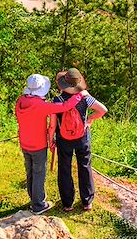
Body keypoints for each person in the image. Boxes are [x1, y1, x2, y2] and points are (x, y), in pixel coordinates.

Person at [15, 73, 89, 215]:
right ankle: (38, 205)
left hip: (25, 142)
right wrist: (80, 95)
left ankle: (33, 198)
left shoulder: (21, 101)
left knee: (30, 171)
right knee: (39, 173)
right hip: (38, 145)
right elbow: (65, 106)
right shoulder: (41, 105)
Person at [49, 68, 107, 212]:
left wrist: (51, 140)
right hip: (82, 137)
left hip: (63, 138)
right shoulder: (85, 98)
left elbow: (52, 125)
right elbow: (103, 110)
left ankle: (67, 203)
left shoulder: (57, 100)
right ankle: (87, 202)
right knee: (85, 166)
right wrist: (90, 119)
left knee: (64, 168)